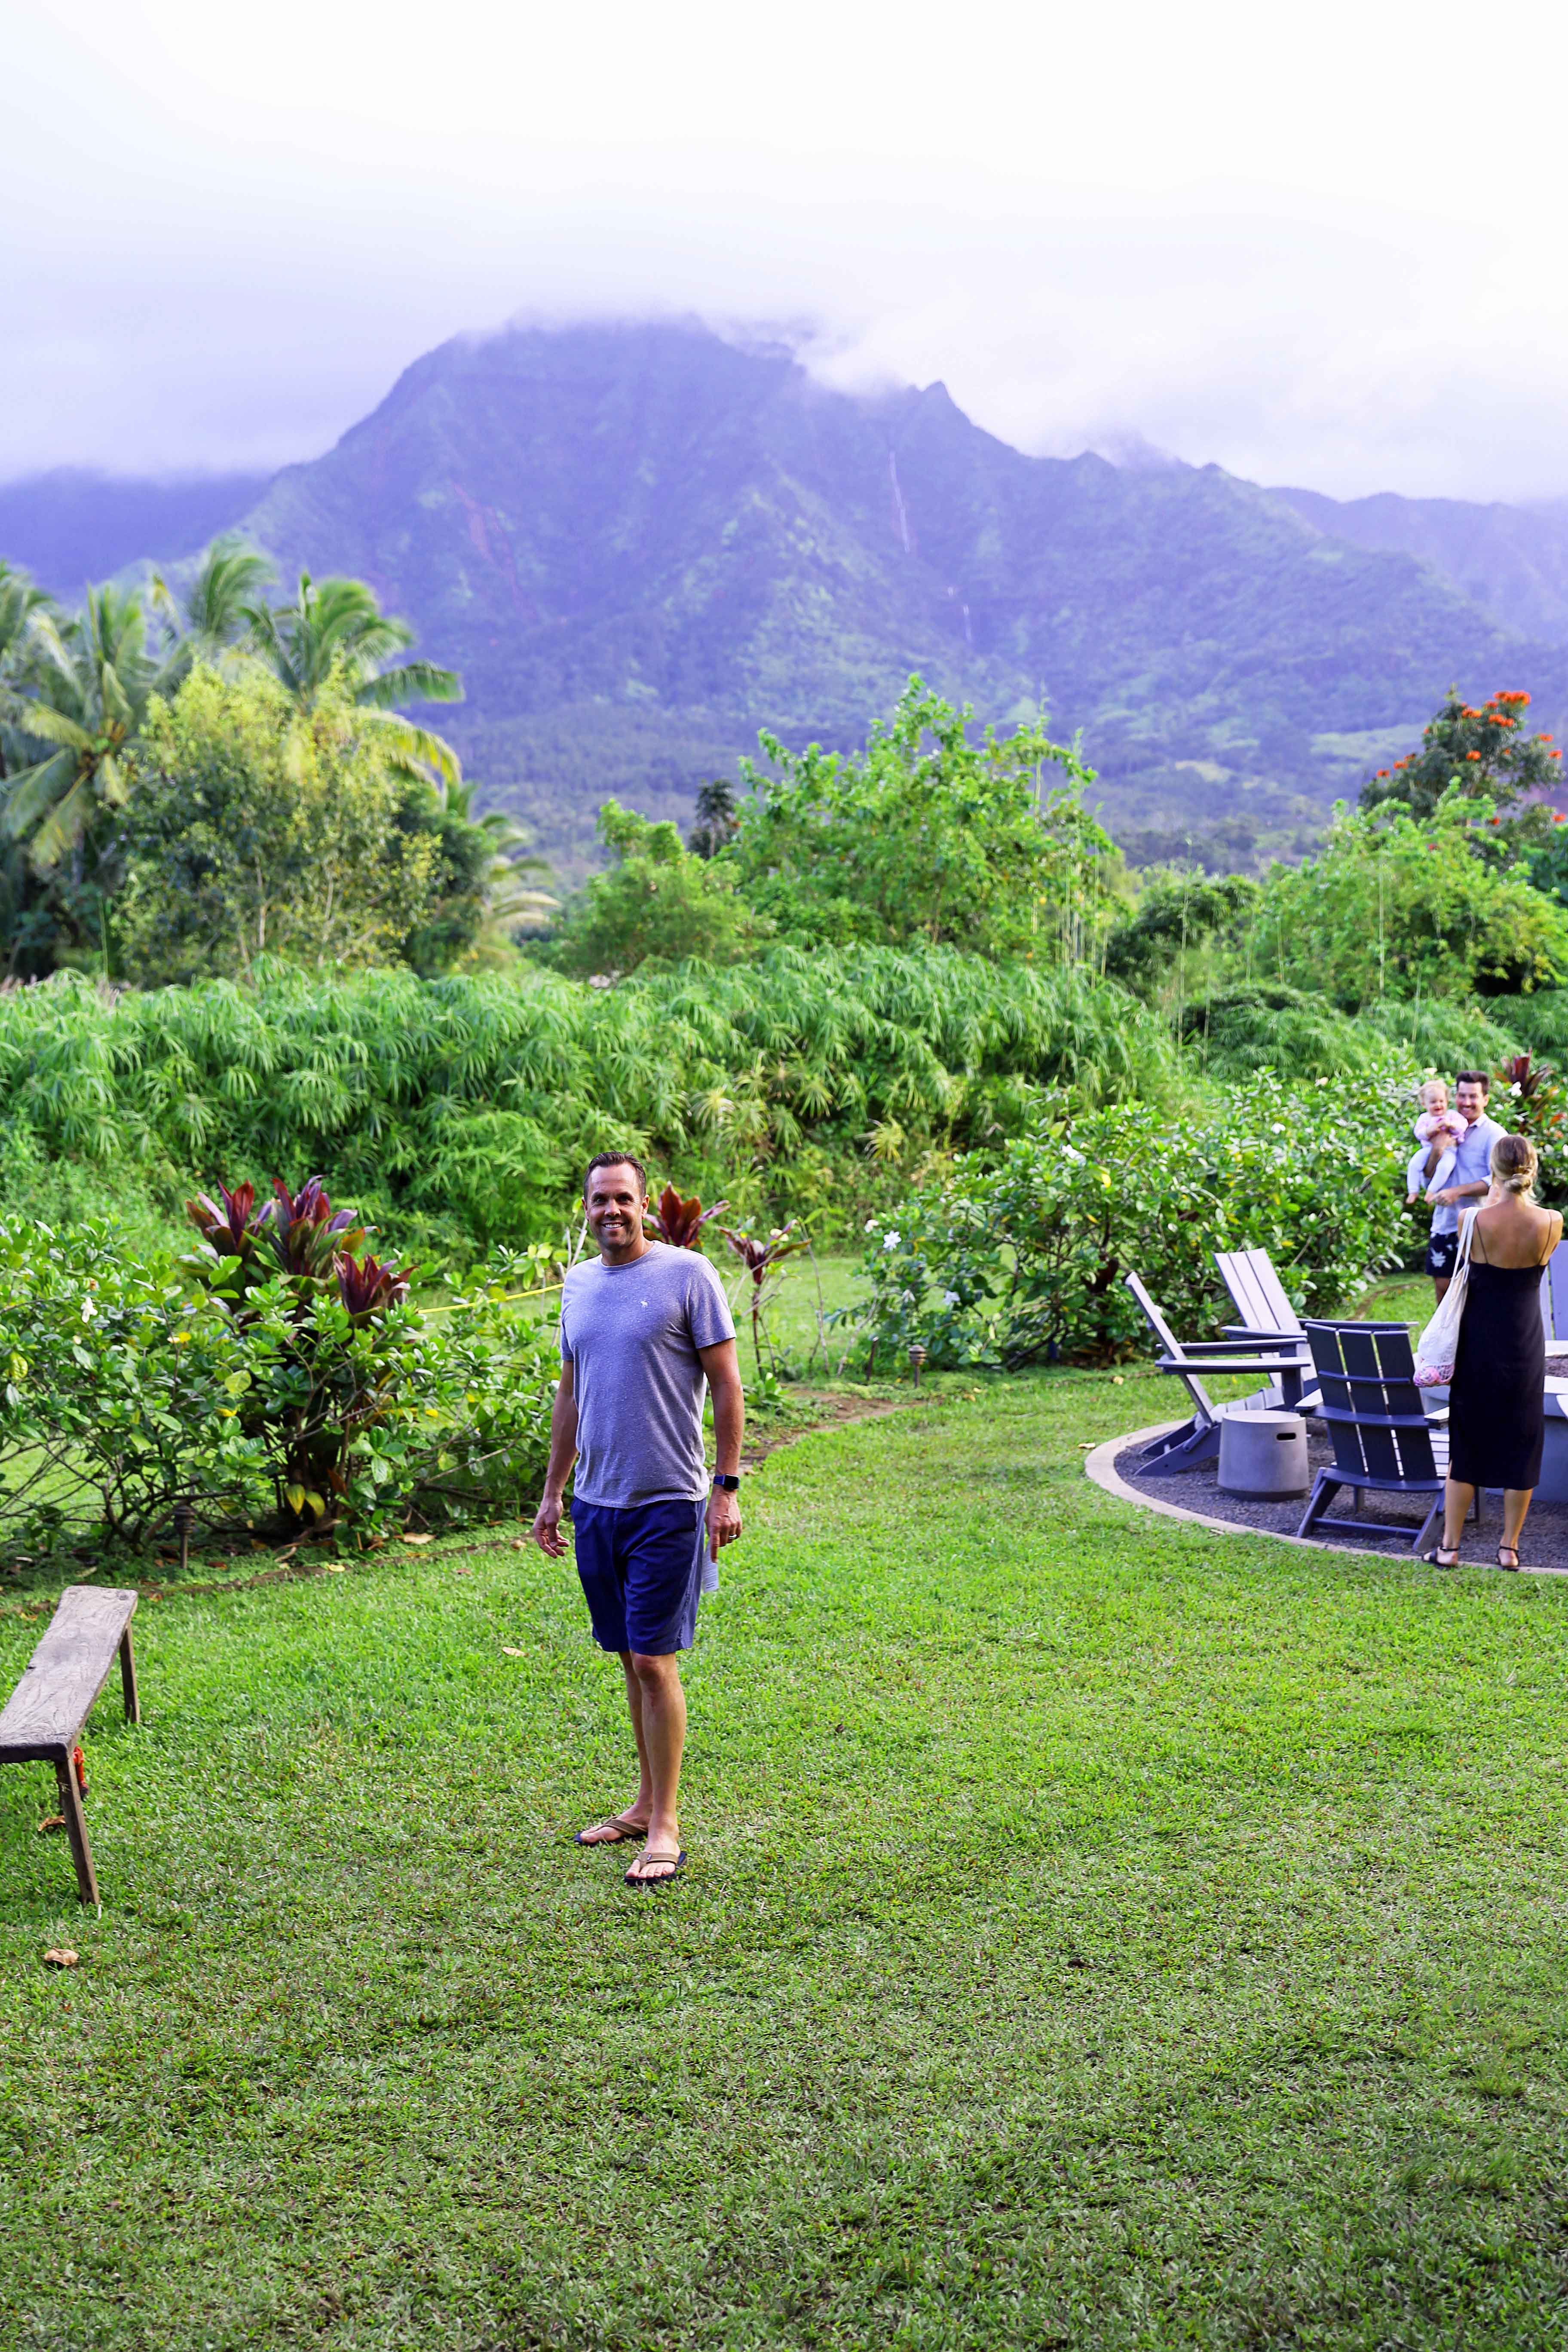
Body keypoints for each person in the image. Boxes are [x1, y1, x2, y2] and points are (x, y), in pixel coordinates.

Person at [530, 1152, 744, 1888]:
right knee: (627, 1656)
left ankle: (665, 1824)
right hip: (597, 1504)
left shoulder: (688, 1275)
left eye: (623, 1198)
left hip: (669, 1503)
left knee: (654, 1659)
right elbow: (570, 1393)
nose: (611, 1210)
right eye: (599, 1200)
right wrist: (554, 1490)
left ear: (643, 1204)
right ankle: (642, 1801)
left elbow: (725, 1385)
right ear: (584, 1207)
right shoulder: (580, 1283)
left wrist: (726, 1487)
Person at [1426, 1133, 1562, 1572]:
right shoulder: (1552, 1222)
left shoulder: (1473, 1220)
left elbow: (1480, 1232)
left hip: (1479, 1343)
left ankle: (1449, 1547)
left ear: (1494, 1171)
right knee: (1522, 1441)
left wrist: (1495, 1193)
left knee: (1467, 1442)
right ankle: (1510, 1548)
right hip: (1525, 1343)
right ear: (1534, 1168)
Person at [1422, 1071, 1506, 1302]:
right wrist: (1438, 1149)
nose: (1466, 1103)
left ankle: (1476, 1338)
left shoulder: (1495, 1134)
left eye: (1473, 1096)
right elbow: (1428, 1177)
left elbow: (1500, 1181)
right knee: (1443, 1290)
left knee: (1477, 1295)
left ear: (1485, 1099)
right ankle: (1447, 1339)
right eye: (1462, 1096)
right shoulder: (1440, 1127)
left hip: (1479, 1227)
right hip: (1445, 1223)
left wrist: (1458, 1191)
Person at [1406, 1078, 1467, 1206]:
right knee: (1414, 1164)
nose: (1438, 1105)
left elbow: (1463, 1126)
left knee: (1445, 1168)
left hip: (1450, 1151)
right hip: (1428, 1149)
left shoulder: (1452, 1115)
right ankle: (1413, 1191)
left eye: (1441, 1101)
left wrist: (1450, 1126)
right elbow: (1419, 1133)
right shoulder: (1425, 1118)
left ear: (1447, 1101)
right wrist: (1430, 1131)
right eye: (1433, 1102)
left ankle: (1431, 1192)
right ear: (1424, 1104)